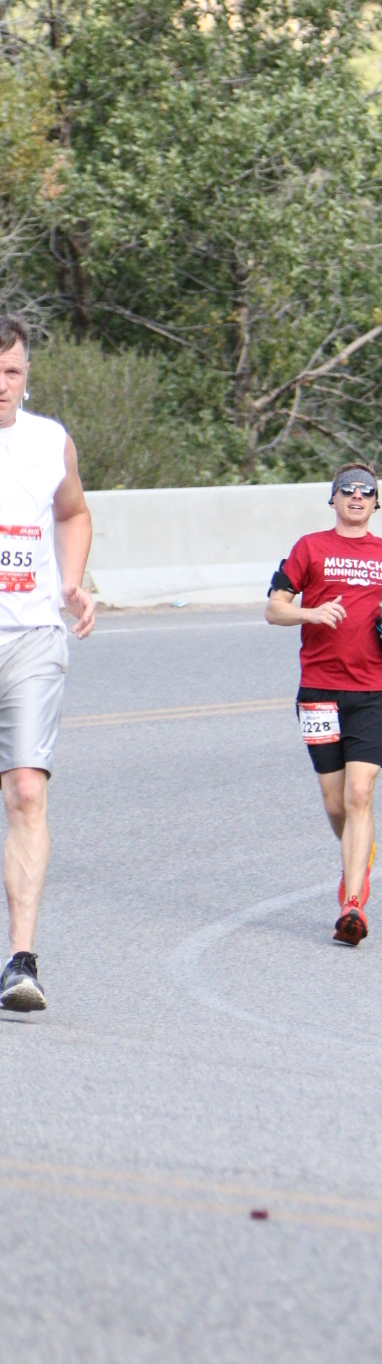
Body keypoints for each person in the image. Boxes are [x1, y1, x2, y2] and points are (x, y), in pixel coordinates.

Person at [266, 462, 382, 947]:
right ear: (332, 499)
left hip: (374, 691)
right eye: (346, 490)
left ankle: (353, 903)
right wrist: (311, 612)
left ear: (375, 502)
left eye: (366, 491)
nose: (356, 496)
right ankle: (359, 851)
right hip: (319, 691)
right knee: (335, 803)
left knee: (359, 794)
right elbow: (274, 609)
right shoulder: (309, 548)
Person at [0, 319, 95, 1015]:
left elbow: (73, 512)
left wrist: (71, 580)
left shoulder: (48, 440)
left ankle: (21, 960)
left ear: (26, 375)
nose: (0, 386)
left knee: (28, 790)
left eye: (11, 372)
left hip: (32, 634)